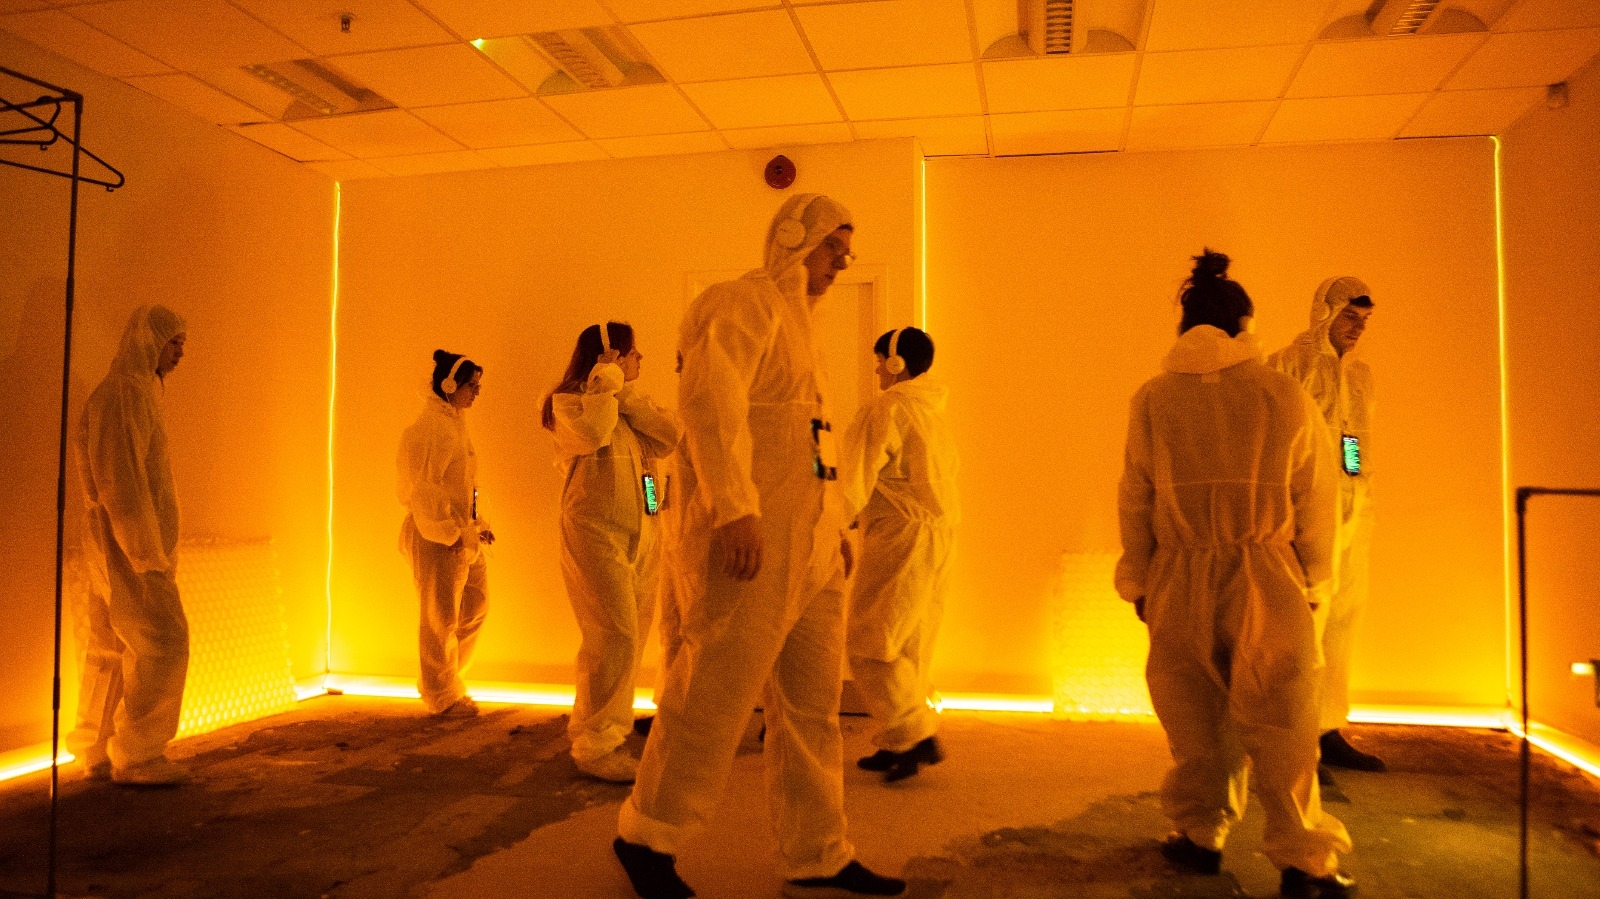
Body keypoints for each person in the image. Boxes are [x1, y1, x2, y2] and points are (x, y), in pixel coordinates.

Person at [613, 194, 905, 899]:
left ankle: (819, 851)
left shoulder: (806, 329)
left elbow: (813, 445)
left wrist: (833, 526)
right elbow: (711, 405)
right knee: (713, 690)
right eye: (837, 245)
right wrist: (735, 509)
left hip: (808, 550)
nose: (844, 260)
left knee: (810, 707)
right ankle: (647, 833)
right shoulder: (740, 303)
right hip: (749, 541)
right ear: (796, 239)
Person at [1115, 251, 1355, 898]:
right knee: (1283, 713)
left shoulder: (1153, 398)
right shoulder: (1282, 393)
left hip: (1178, 573)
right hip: (1266, 571)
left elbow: (1136, 496)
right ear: (1246, 322)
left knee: (1193, 711)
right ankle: (1302, 859)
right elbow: (1316, 497)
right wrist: (1314, 577)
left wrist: (1138, 576)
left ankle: (1200, 836)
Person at [543, 322, 681, 783]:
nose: (643, 360)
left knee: (632, 634)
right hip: (594, 530)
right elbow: (593, 434)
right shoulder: (569, 404)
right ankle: (597, 743)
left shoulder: (628, 405)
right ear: (611, 355)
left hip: (642, 529)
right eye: (634, 353)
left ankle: (600, 728)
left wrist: (625, 395)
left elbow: (670, 436)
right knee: (613, 633)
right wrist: (603, 387)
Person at [67, 305, 192, 786]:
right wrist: (146, 555)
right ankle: (139, 754)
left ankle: (94, 745)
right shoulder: (124, 395)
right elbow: (123, 482)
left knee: (109, 646)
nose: (180, 353)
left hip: (112, 542)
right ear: (148, 341)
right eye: (173, 343)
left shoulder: (132, 393)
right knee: (163, 640)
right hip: (128, 546)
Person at [1270, 277, 1382, 773]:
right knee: (1302, 619)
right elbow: (1280, 445)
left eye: (1363, 320)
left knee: (1343, 618)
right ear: (1325, 313)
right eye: (1349, 317)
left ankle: (1327, 725)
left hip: (1351, 508)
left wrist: (1355, 485)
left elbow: (1352, 440)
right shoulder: (1286, 366)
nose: (1357, 328)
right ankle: (1291, 732)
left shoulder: (1360, 378)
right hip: (1305, 510)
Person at [839, 326, 960, 783]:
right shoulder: (932, 411)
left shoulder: (888, 407)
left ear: (895, 363)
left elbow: (857, 470)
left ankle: (913, 734)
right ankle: (898, 739)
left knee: (873, 638)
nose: (875, 370)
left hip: (900, 536)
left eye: (878, 361)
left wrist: (834, 522)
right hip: (939, 537)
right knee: (911, 640)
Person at [397, 350, 493, 718]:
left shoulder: (453, 426)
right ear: (449, 385)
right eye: (472, 385)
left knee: (474, 606)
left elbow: (459, 485)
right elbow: (423, 489)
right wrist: (449, 531)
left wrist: (476, 524)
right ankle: (441, 694)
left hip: (459, 534)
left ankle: (447, 681)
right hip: (436, 536)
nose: (476, 393)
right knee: (440, 618)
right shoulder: (430, 430)